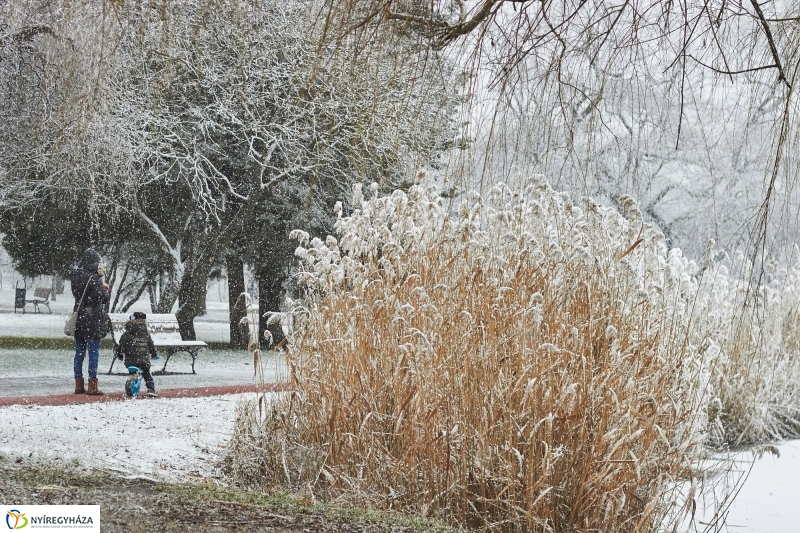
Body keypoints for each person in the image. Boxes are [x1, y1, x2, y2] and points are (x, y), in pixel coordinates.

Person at [70, 248, 110, 395]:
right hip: (92, 319)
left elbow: (79, 295)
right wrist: (105, 289)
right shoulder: (94, 278)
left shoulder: (75, 276)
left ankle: (78, 385)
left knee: (79, 352)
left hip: (80, 317)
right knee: (93, 352)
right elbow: (103, 298)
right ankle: (92, 385)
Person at [117, 311, 160, 397]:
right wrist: (154, 354)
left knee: (132, 372)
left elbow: (121, 346)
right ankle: (151, 389)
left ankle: (131, 382)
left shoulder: (126, 334)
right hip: (143, 360)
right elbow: (151, 346)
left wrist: (120, 355)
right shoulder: (146, 334)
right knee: (146, 373)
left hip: (130, 360)